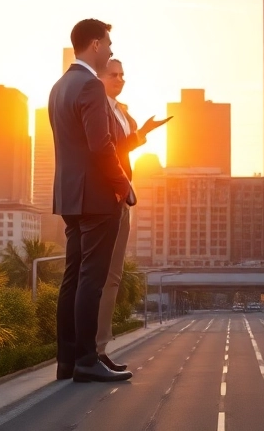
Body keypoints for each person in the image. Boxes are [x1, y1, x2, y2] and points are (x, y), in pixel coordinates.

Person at [48, 19, 133, 383]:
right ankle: (87, 359)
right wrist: (123, 184)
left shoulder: (58, 87)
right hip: (97, 197)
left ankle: (67, 360)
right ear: (95, 45)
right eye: (109, 43)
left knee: (72, 277)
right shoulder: (90, 86)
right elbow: (101, 146)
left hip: (69, 196)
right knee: (91, 280)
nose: (112, 50)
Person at [95, 58, 168, 370]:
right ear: (98, 76)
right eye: (113, 74)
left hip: (122, 197)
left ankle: (99, 347)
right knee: (99, 277)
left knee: (113, 277)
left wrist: (141, 130)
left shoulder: (120, 110)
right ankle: (93, 350)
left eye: (123, 74)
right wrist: (141, 134)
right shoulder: (97, 107)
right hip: (106, 196)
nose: (120, 79)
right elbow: (108, 149)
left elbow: (122, 147)